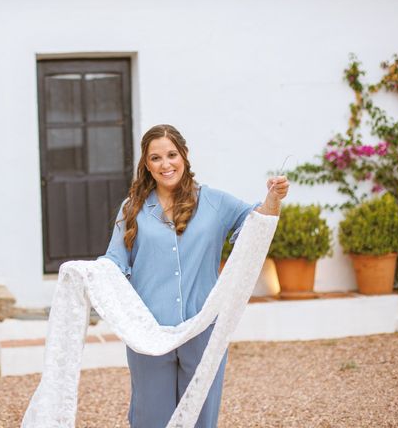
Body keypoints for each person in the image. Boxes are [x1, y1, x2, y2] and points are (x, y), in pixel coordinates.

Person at [99, 124, 289, 428]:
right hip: (149, 333)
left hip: (203, 329)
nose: (166, 164)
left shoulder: (213, 202)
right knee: (151, 418)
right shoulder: (132, 207)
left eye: (172, 155)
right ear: (146, 165)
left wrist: (273, 199)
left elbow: (256, 224)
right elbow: (114, 261)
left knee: (200, 417)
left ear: (184, 156)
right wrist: (89, 276)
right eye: (156, 158)